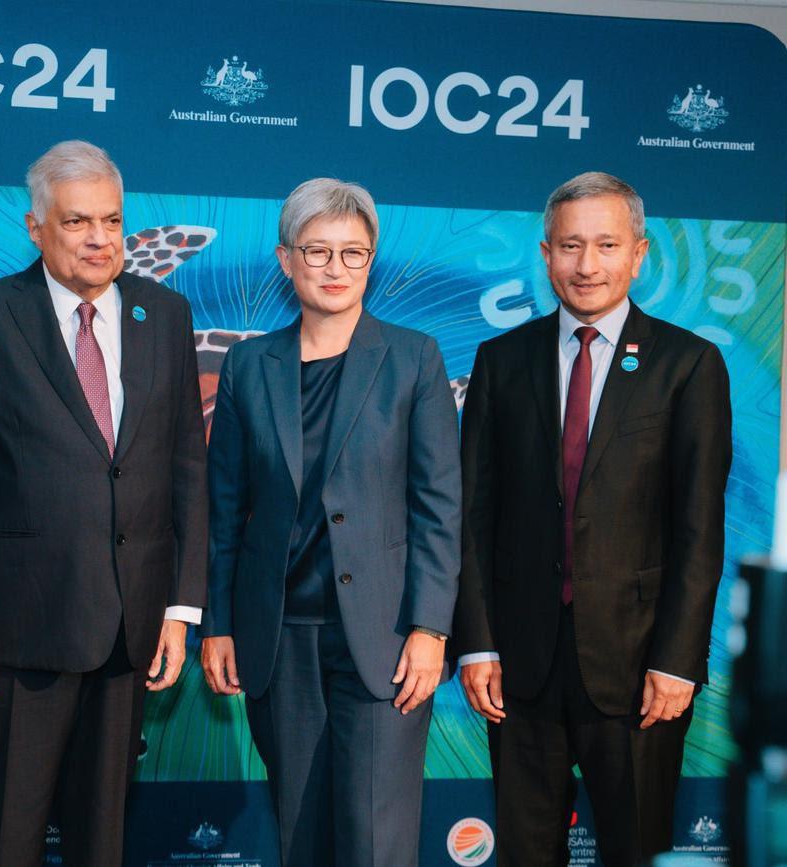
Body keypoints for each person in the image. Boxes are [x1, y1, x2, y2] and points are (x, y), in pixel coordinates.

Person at [0, 139, 207, 867]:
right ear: (34, 226)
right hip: (16, 638)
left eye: (111, 219)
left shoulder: (165, 314)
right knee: (7, 839)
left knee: (101, 841)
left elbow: (185, 468)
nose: (101, 239)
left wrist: (180, 608)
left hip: (129, 633)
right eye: (78, 221)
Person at [454, 171, 732, 865]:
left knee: (636, 848)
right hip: (518, 667)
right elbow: (471, 515)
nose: (587, 265)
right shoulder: (500, 361)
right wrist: (478, 643)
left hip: (640, 667)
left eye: (606, 244)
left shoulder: (688, 365)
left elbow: (700, 531)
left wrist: (677, 659)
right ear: (545, 252)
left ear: (639, 253)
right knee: (524, 851)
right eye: (570, 245)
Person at [200, 178, 461, 866]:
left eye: (353, 253)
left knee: (376, 840)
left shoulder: (415, 359)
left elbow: (439, 504)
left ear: (371, 260)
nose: (336, 269)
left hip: (386, 639)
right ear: (287, 259)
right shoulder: (250, 364)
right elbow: (223, 507)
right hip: (278, 638)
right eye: (318, 252)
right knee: (300, 834)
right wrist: (219, 622)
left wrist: (432, 627)